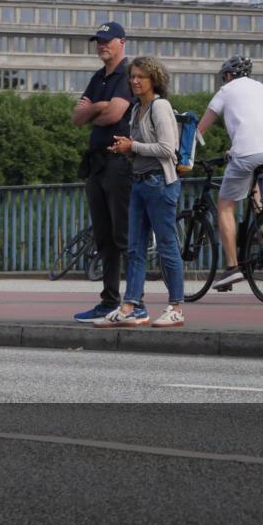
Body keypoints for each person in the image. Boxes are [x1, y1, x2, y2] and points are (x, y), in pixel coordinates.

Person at [97, 57, 185, 328]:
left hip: (160, 184)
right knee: (135, 248)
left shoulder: (160, 106)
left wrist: (132, 146)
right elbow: (142, 146)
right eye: (132, 76)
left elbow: (167, 149)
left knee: (167, 246)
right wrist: (125, 148)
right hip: (139, 183)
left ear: (154, 80)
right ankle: (130, 306)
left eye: (141, 77)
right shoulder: (137, 108)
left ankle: (176, 307)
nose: (135, 81)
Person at [70, 22, 146, 324]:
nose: (101, 45)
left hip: (119, 162)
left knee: (124, 234)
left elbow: (114, 114)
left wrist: (96, 109)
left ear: (121, 42)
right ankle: (109, 300)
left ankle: (136, 302)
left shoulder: (127, 75)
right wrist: (98, 107)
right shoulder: (98, 76)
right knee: (104, 236)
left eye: (106, 40)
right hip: (97, 163)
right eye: (98, 41)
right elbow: (77, 117)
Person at [196, 56, 263, 289]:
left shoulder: (225, 91)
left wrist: (184, 150)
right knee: (250, 174)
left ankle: (232, 268)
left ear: (228, 75)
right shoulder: (261, 88)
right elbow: (255, 123)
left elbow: (200, 129)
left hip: (248, 152)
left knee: (226, 205)